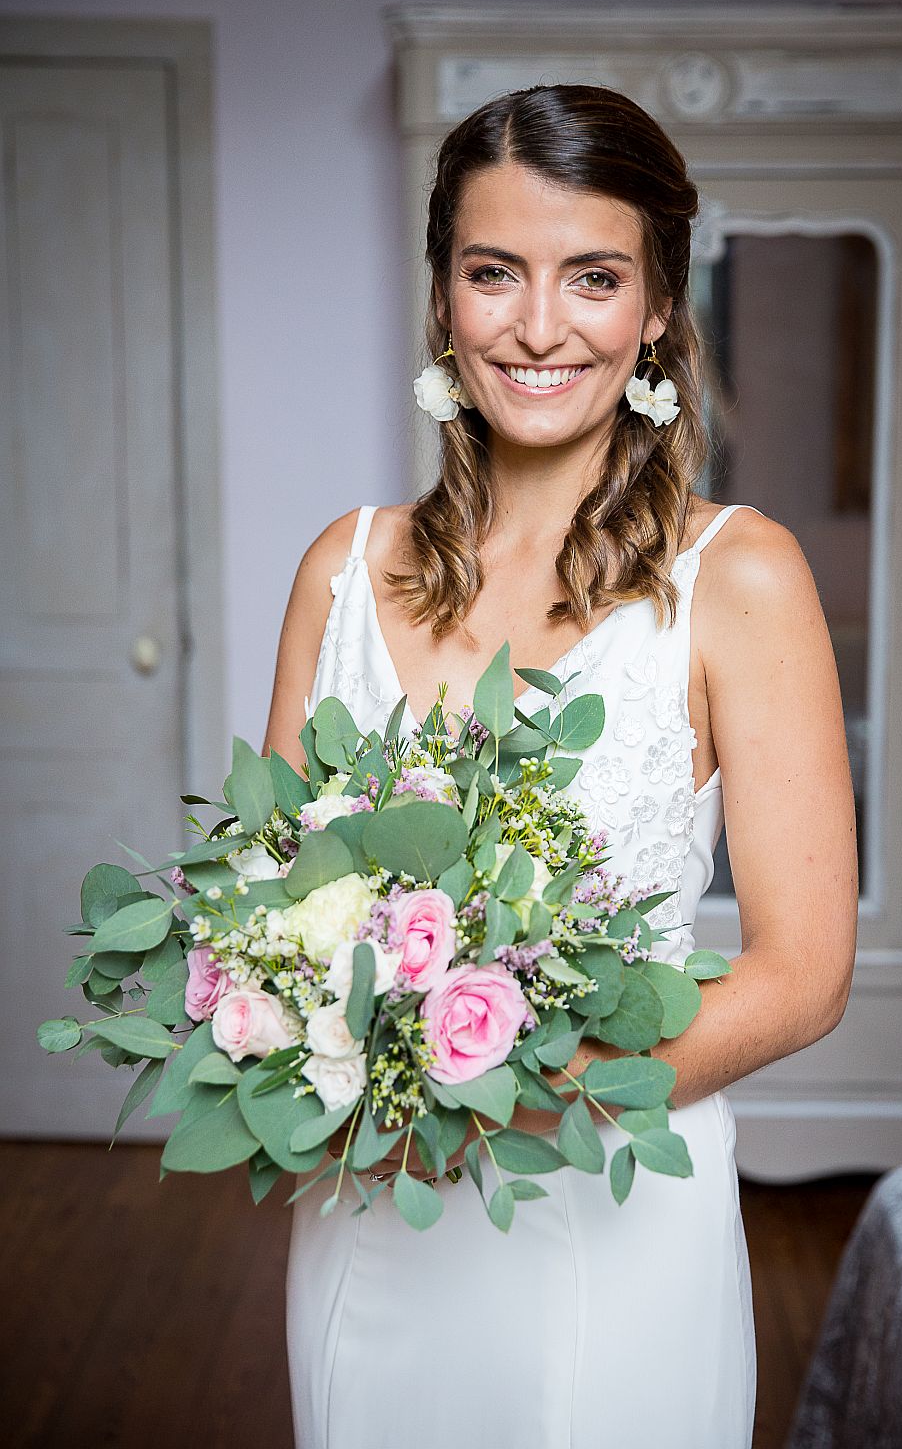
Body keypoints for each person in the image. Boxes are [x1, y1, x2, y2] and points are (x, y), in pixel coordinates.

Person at [262, 83, 858, 1449]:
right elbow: (276, 909)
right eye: (494, 274)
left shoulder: (739, 577)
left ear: (656, 304)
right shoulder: (339, 572)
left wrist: (510, 1099)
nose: (538, 328)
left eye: (593, 278)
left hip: (609, 1222)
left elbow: (804, 971)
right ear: (441, 300)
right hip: (374, 1222)